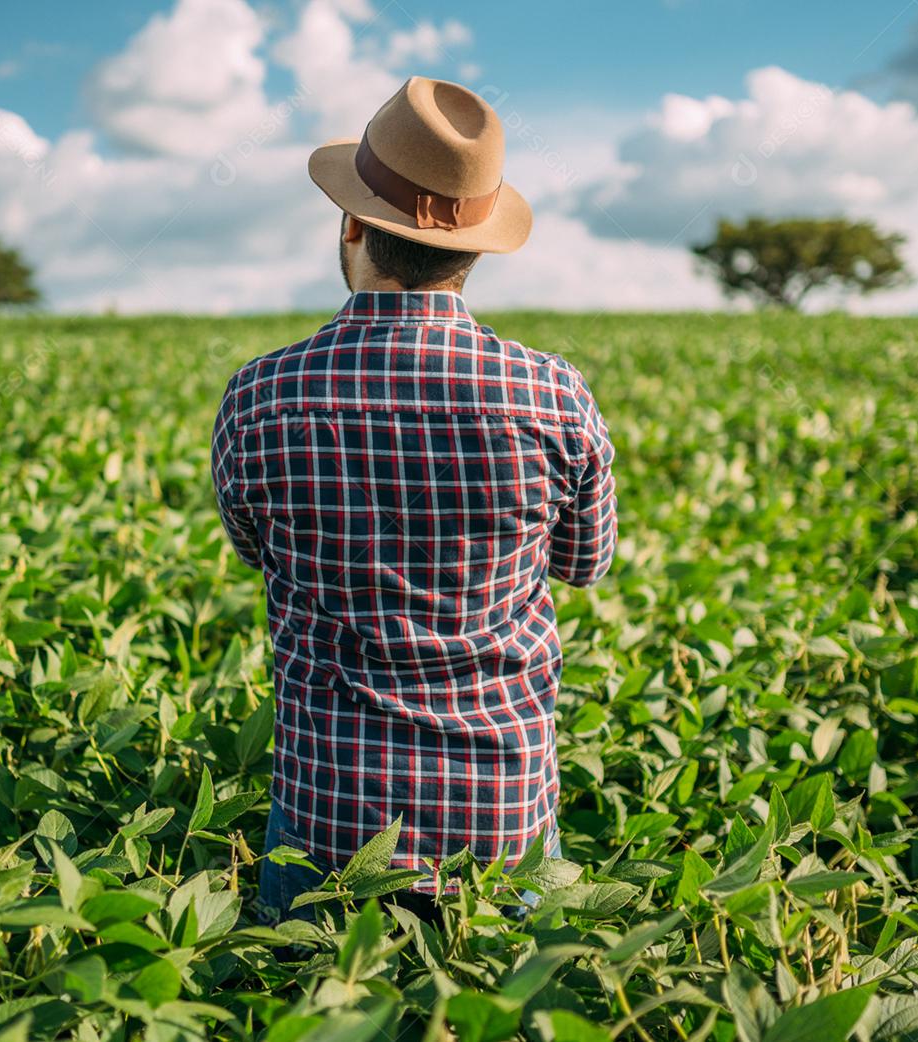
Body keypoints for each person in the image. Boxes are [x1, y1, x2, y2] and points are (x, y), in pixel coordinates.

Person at [211, 76, 617, 924]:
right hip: (502, 811)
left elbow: (258, 551)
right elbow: (585, 564)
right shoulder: (551, 394)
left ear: (353, 223)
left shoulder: (259, 397)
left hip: (327, 818)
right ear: (477, 249)